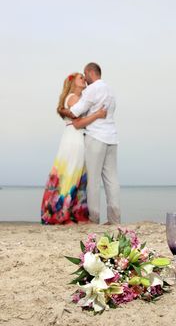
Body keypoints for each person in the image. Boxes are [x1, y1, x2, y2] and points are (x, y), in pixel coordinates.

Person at [41, 72, 107, 225]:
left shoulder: (75, 98)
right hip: (74, 137)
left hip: (74, 137)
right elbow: (78, 122)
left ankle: (74, 213)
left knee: (76, 174)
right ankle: (63, 214)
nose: (84, 79)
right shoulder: (73, 98)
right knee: (72, 174)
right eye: (81, 78)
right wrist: (98, 114)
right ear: (72, 83)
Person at [60, 63, 121, 225]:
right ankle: (114, 219)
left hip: (96, 138)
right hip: (112, 138)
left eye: (85, 75)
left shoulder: (92, 90)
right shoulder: (110, 90)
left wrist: (62, 110)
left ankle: (94, 218)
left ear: (89, 72)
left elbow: (74, 112)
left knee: (93, 180)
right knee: (112, 179)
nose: (85, 79)